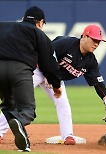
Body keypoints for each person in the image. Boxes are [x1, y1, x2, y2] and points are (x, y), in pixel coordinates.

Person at [0, 24, 106, 146]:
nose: (96, 44)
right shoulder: (66, 43)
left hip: (55, 79)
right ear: (84, 36)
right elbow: (43, 53)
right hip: (37, 70)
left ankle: (67, 135)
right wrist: (47, 73)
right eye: (94, 40)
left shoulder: (90, 62)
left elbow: (97, 83)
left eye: (98, 41)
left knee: (62, 102)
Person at [0, 6, 61, 152]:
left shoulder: (3, 26)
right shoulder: (39, 34)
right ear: (40, 22)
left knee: (9, 106)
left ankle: (24, 143)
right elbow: (49, 65)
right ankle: (19, 121)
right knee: (27, 110)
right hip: (20, 71)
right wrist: (56, 85)